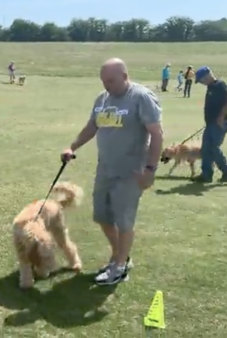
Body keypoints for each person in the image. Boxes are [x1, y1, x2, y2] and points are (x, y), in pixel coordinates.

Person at [61, 58, 163, 286]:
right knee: (102, 216)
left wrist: (150, 170)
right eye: (104, 81)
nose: (107, 85)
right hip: (105, 169)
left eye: (111, 81)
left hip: (132, 172)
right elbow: (92, 126)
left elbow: (156, 134)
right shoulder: (102, 99)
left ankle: (118, 266)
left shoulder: (141, 97)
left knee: (124, 221)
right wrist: (72, 146)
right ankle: (121, 256)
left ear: (125, 76)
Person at [191, 66, 227, 183]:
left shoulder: (220, 85)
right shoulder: (211, 87)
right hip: (210, 124)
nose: (201, 83)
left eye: (201, 80)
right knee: (206, 149)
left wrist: (221, 117)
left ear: (207, 76)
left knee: (213, 148)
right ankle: (206, 175)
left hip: (218, 124)